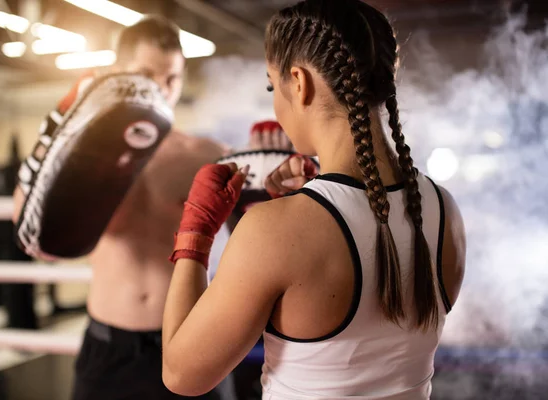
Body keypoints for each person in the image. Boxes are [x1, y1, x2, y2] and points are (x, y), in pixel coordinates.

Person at [161, 1, 467, 399]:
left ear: (299, 82)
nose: (275, 101)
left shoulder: (275, 231)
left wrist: (196, 230)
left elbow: (181, 375)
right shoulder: (445, 211)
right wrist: (304, 204)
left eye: (273, 86)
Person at [11, 15, 288, 400]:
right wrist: (56, 127)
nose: (161, 87)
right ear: (117, 71)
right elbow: (26, 223)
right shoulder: (81, 157)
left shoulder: (207, 155)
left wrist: (277, 174)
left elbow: (262, 237)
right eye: (146, 74)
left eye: (171, 78)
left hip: (189, 341)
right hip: (109, 347)